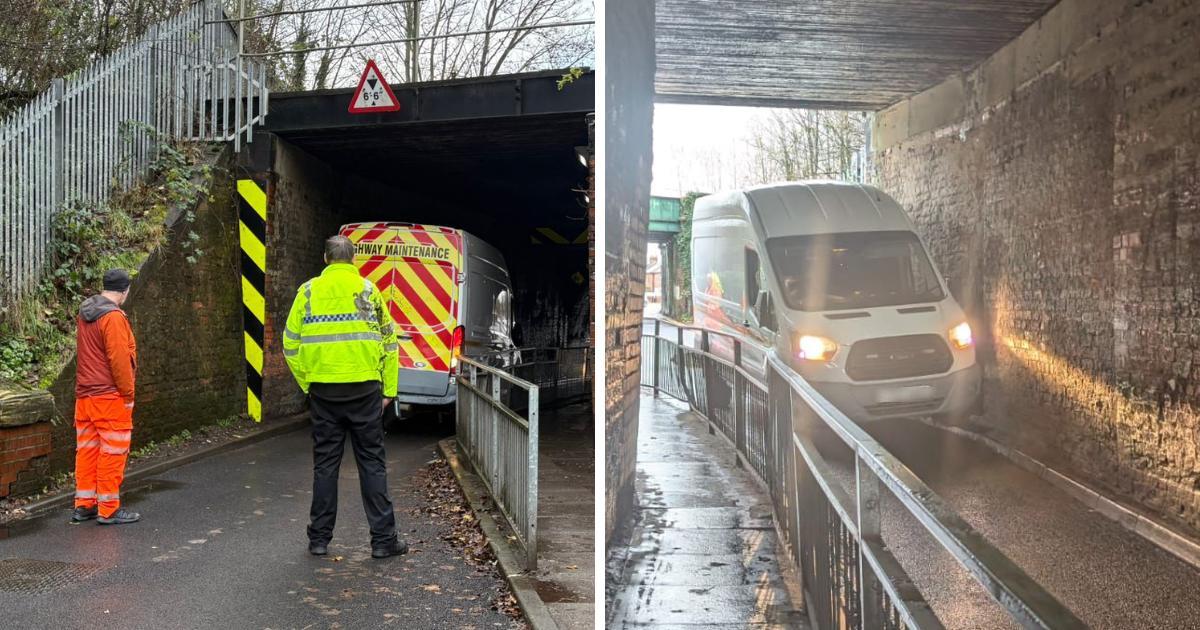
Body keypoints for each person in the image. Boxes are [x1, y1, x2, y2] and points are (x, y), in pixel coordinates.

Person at [283, 235, 407, 559]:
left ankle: (319, 539)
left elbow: (290, 345)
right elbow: (390, 344)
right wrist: (389, 391)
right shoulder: (369, 292)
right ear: (353, 260)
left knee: (325, 465)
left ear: (325, 258)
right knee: (372, 465)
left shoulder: (307, 293)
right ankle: (383, 540)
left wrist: (308, 383)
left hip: (323, 391)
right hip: (365, 390)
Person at [72, 268, 140, 525]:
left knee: (87, 451)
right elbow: (119, 360)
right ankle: (109, 508)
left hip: (84, 397)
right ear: (124, 291)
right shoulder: (112, 317)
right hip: (109, 397)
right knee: (112, 452)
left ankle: (84, 505)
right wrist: (128, 393)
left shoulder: (85, 312)